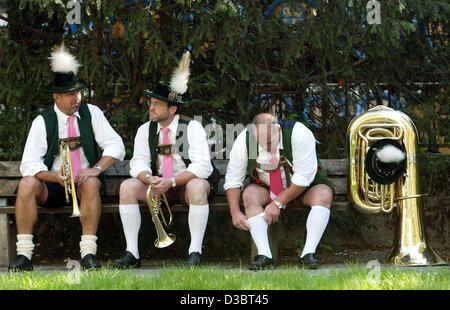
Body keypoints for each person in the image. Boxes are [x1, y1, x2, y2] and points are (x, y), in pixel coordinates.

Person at [9, 44, 126, 272]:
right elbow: (29, 164)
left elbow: (116, 145)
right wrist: (54, 176)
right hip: (53, 185)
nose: (77, 98)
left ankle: (88, 254)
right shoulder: (43, 121)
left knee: (92, 181)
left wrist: (96, 169)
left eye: (78, 92)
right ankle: (24, 256)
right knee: (26, 184)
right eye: (71, 94)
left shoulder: (92, 113)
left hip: (83, 182)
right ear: (57, 97)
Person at [114, 51, 214, 269]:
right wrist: (149, 179)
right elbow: (137, 163)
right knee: (128, 187)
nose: (151, 107)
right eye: (151, 103)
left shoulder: (191, 127)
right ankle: (132, 252)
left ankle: (194, 252)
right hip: (158, 184)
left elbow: (202, 166)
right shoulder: (145, 130)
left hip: (185, 184)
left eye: (157, 104)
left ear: (172, 109)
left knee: (198, 186)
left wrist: (173, 181)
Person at [224, 113, 333, 270]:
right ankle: (264, 255)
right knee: (249, 195)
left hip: (303, 188)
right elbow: (233, 179)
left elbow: (303, 178)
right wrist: (234, 212)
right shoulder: (245, 139)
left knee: (324, 195)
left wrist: (278, 203)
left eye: (269, 142)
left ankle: (308, 254)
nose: (266, 148)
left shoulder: (298, 133)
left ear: (278, 130)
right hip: (266, 188)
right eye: (261, 144)